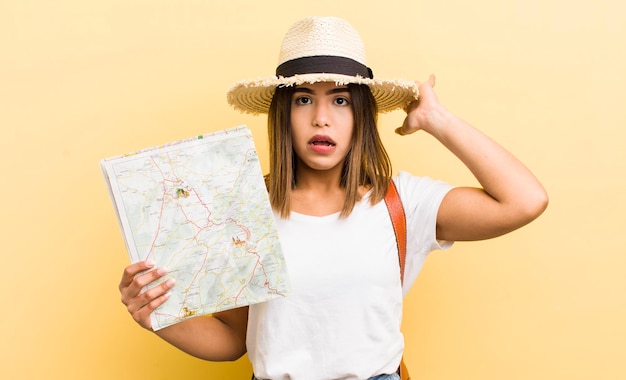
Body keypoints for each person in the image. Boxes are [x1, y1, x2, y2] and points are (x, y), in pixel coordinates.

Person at [119, 16, 548, 380]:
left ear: (360, 114)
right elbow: (233, 340)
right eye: (304, 99)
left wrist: (437, 119)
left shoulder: (402, 203)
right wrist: (155, 316)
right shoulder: (243, 210)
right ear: (283, 114)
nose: (321, 117)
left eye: (339, 100)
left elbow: (524, 200)